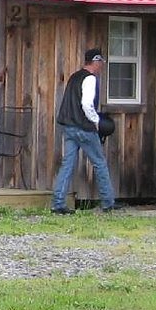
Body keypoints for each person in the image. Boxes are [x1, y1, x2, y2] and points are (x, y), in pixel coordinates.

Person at [52, 47, 121, 214]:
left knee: (67, 165)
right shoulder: (90, 79)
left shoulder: (74, 77)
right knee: (100, 163)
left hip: (69, 127)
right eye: (101, 62)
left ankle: (58, 204)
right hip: (84, 128)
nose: (102, 66)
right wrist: (97, 121)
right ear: (95, 61)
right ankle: (108, 202)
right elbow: (86, 104)